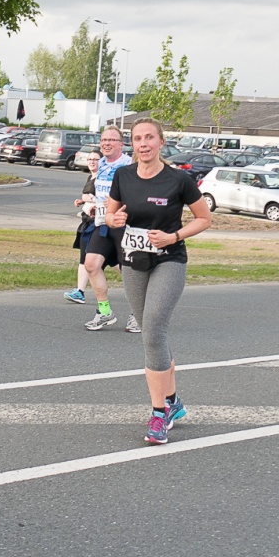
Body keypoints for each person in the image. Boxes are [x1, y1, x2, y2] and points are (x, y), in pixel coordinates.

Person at [104, 117, 211, 444]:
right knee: (154, 335)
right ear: (132, 144)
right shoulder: (122, 175)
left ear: (161, 142)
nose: (143, 144)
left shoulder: (178, 179)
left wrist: (174, 236)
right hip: (134, 260)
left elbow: (204, 218)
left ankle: (158, 413)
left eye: (149, 137)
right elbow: (109, 214)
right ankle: (174, 401)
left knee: (152, 329)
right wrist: (115, 218)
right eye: (137, 139)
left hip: (169, 260)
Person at [82, 125, 140, 333]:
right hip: (103, 223)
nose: (106, 143)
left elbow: (138, 195)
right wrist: (92, 205)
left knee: (131, 272)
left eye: (111, 140)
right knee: (91, 264)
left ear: (121, 144)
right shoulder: (102, 165)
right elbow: (101, 194)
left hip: (124, 224)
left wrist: (118, 202)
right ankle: (105, 312)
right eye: (103, 140)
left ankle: (138, 315)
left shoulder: (130, 165)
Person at [65, 174, 96, 303]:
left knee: (114, 261)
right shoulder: (90, 177)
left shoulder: (105, 178)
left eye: (95, 159)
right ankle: (80, 292)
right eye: (90, 159)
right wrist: (83, 201)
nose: (92, 162)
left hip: (99, 224)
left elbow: (109, 199)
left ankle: (136, 285)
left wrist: (91, 200)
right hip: (87, 222)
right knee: (85, 258)